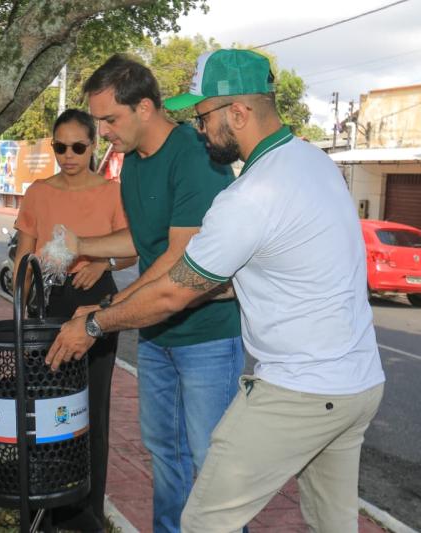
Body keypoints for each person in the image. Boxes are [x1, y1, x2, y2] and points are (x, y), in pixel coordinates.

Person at [46, 49, 386, 533]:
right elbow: (243, 276)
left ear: (239, 113)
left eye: (204, 116)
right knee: (333, 524)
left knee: (205, 521)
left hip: (302, 390)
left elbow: (173, 293)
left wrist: (97, 321)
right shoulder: (315, 163)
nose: (199, 128)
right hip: (358, 383)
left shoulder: (250, 195)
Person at [58, 54, 244, 533]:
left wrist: (105, 310)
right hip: (157, 336)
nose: (104, 131)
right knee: (166, 455)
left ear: (145, 107)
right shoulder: (134, 164)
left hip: (206, 337)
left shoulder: (194, 154)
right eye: (99, 121)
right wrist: (81, 246)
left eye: (110, 119)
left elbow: (178, 260)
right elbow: (145, 242)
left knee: (212, 464)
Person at [13, 108, 137, 532]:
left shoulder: (112, 192)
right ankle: (47, 508)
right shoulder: (38, 192)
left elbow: (134, 246)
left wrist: (103, 263)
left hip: (96, 303)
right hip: (48, 305)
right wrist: (20, 305)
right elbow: (24, 257)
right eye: (60, 147)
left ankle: (88, 513)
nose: (69, 155)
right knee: (44, 409)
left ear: (92, 146)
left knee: (92, 408)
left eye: (78, 147)